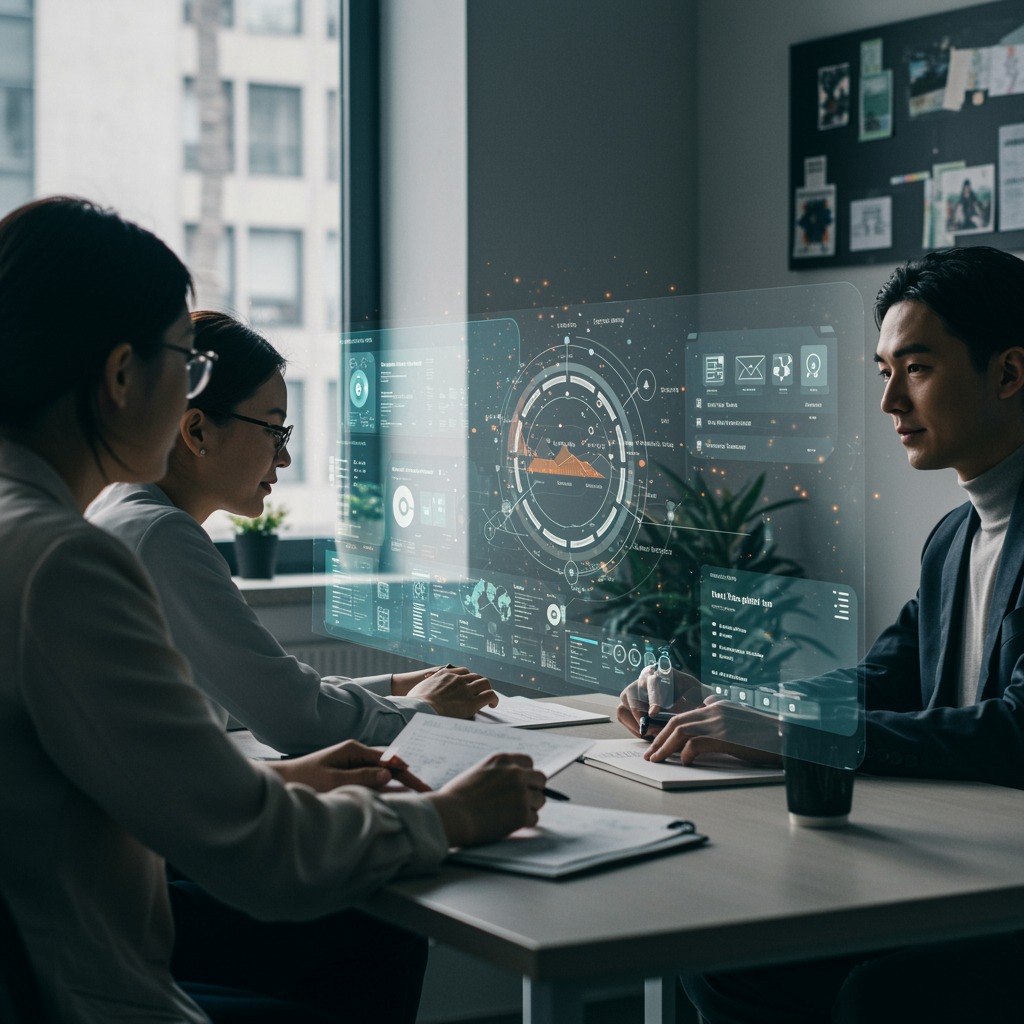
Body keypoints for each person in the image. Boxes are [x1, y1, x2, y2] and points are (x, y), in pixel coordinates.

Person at [0, 195, 546, 1024]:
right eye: (187, 360)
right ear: (120, 377)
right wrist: (453, 814)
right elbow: (261, 859)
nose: (193, 388)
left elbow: (89, 785)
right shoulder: (65, 563)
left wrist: (270, 779)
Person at [619, 245, 1024, 1022]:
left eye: (917, 369)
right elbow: (875, 680)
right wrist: (725, 704)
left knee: (880, 996)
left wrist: (797, 733)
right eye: (883, 372)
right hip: (957, 862)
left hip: (999, 882)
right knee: (723, 954)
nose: (889, 404)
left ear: (1008, 374)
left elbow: (1016, 729)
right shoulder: (954, 537)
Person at [89, 310, 498, 754]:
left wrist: (396, 687)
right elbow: (294, 720)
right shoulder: (162, 538)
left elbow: (272, 689)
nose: (283, 459)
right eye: (274, 431)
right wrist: (426, 712)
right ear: (197, 429)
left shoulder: (123, 510)